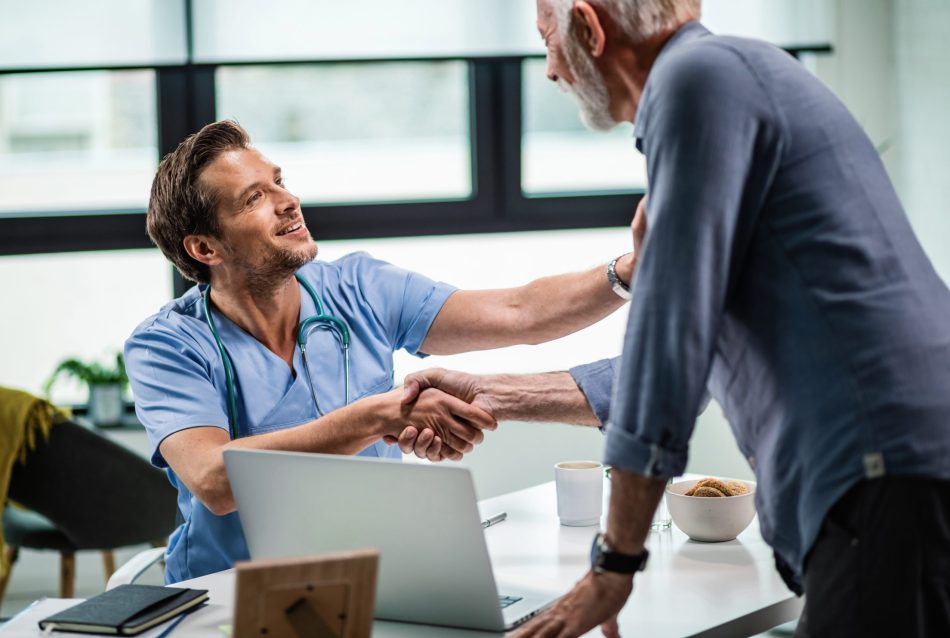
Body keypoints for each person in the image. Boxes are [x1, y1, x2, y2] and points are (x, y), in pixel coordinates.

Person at [411, 0, 950, 635]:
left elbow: (668, 353)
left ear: (589, 27)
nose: (551, 70)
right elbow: (679, 365)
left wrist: (613, 565)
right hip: (891, 473)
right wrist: (492, 394)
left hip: (885, 471)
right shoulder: (726, 78)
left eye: (547, 40)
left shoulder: (698, 82)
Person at [124, 119, 639, 583]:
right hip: (231, 593)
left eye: (279, 181)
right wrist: (381, 414)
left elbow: (519, 311)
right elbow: (216, 479)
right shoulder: (166, 346)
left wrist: (627, 272)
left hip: (376, 577)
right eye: (253, 198)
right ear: (205, 249)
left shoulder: (359, 288)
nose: (287, 200)